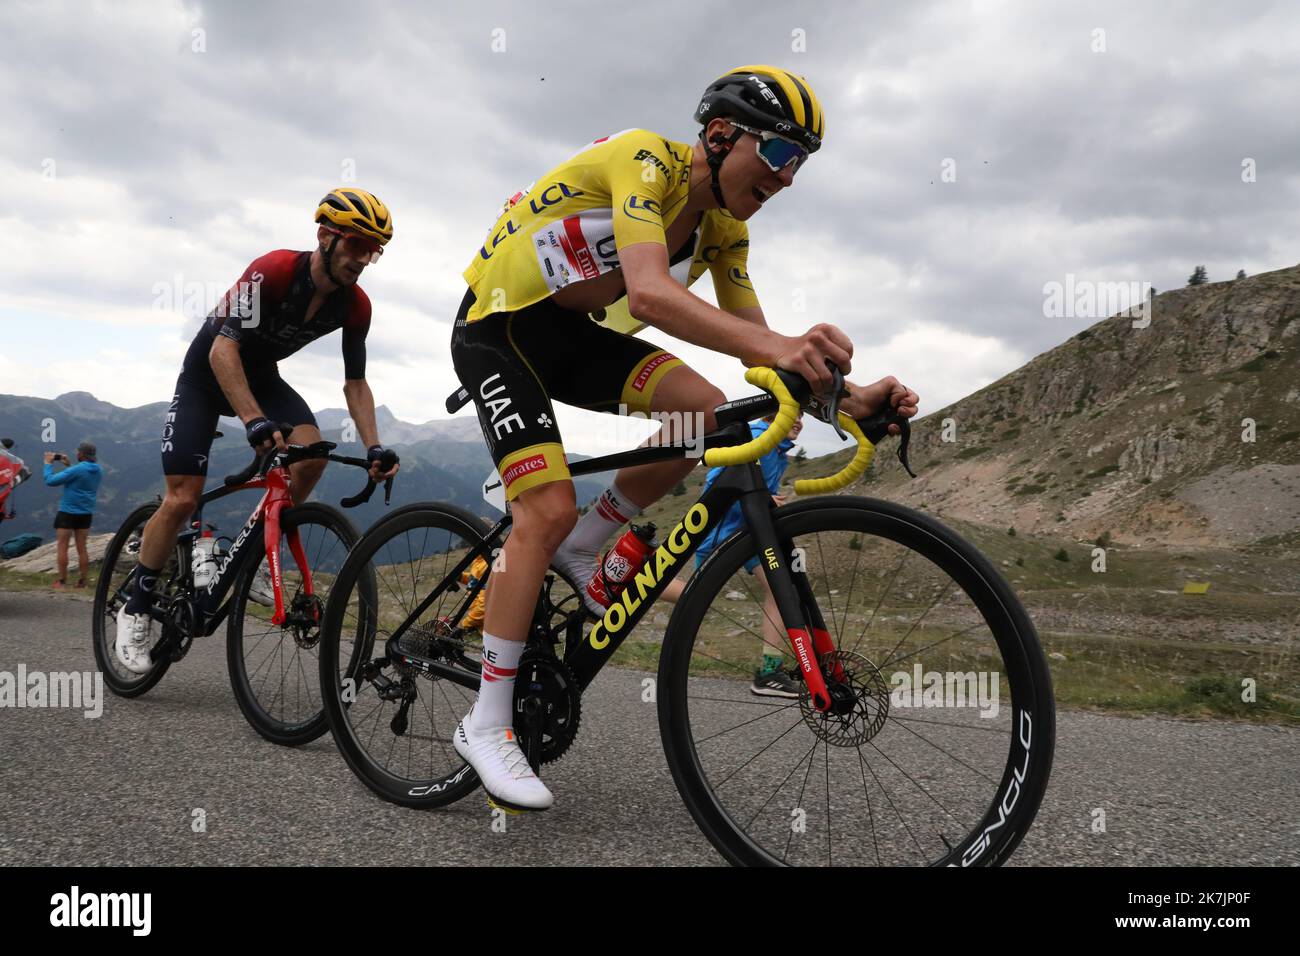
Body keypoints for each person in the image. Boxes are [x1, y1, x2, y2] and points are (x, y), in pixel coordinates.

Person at [449, 64, 920, 811]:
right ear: (721, 133)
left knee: (706, 409)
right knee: (542, 510)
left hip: (574, 336)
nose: (787, 178)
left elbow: (761, 350)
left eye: (799, 164)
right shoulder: (647, 161)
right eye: (777, 154)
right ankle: (487, 720)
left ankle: (586, 544)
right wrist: (786, 351)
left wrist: (849, 401)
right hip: (499, 329)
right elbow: (648, 292)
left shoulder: (725, 230)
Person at [114, 188, 402, 673]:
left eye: (375, 250)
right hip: (207, 376)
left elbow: (355, 382)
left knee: (312, 455)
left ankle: (249, 555)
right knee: (183, 498)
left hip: (262, 377)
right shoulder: (273, 272)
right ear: (326, 236)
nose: (365, 258)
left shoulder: (355, 307)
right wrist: (253, 419)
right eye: (357, 244)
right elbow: (223, 350)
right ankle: (136, 605)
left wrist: (373, 444)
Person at [659, 413, 803, 698]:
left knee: (780, 589)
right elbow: (719, 481)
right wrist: (761, 498)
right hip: (718, 533)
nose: (799, 421)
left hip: (748, 535)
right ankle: (633, 587)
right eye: (793, 416)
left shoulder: (777, 450)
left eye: (802, 417)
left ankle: (769, 672)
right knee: (693, 597)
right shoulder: (758, 437)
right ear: (776, 416)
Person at [43, 441, 103, 588]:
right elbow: (79, 478)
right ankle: (82, 581)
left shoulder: (77, 469)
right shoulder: (98, 470)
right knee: (82, 548)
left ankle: (62, 581)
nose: (76, 453)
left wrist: (48, 463)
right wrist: (68, 466)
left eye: (78, 451)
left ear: (81, 454)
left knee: (62, 547)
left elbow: (50, 481)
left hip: (67, 512)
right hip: (86, 513)